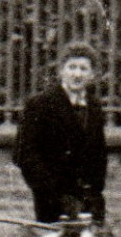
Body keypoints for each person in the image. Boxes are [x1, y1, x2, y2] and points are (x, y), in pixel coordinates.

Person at [13, 41, 108, 223]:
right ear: (61, 71)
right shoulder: (40, 105)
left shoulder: (94, 107)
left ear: (92, 75)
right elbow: (24, 155)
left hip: (89, 203)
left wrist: (95, 194)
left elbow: (99, 155)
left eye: (83, 68)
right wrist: (50, 192)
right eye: (72, 67)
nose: (77, 74)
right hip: (53, 202)